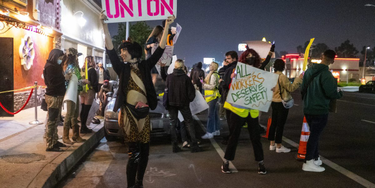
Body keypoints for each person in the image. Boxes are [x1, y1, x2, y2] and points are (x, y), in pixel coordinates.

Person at [101, 11, 175, 188]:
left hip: (144, 113)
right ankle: (130, 185)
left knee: (145, 152)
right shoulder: (122, 68)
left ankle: (139, 182)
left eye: (124, 51)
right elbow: (110, 48)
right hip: (129, 114)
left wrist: (166, 27)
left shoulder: (145, 65)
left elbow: (161, 48)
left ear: (132, 51)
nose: (121, 54)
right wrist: (104, 24)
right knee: (133, 153)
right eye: (121, 51)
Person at [221, 45, 274, 175]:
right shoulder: (242, 70)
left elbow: (225, 85)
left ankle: (228, 162)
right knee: (249, 137)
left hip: (244, 110)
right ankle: (259, 163)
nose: (250, 60)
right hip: (244, 110)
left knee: (240, 137)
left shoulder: (248, 70)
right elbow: (226, 85)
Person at [301, 50, 343, 172]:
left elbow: (302, 89)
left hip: (308, 108)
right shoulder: (327, 75)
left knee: (314, 134)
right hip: (320, 109)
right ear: (332, 60)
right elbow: (331, 93)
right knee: (314, 136)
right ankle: (308, 161)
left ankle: (315, 158)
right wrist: (340, 94)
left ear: (322, 56)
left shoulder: (309, 71)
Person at [268, 59, 303, 153]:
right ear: (283, 67)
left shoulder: (272, 76)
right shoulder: (282, 77)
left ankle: (272, 144)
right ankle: (279, 145)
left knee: (274, 123)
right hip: (281, 102)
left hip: (273, 101)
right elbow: (291, 88)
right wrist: (298, 79)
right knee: (280, 124)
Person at [166, 59, 200, 153]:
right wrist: (188, 100)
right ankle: (194, 145)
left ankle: (174, 145)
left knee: (172, 123)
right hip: (183, 103)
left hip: (172, 103)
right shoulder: (185, 78)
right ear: (182, 67)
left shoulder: (169, 77)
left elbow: (167, 90)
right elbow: (191, 92)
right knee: (189, 123)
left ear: (175, 66)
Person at [62, 48, 87, 144]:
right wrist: (83, 81)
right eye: (77, 57)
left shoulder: (74, 68)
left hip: (74, 93)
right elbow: (68, 81)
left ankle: (76, 135)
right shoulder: (71, 68)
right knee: (69, 114)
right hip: (70, 93)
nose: (78, 59)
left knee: (75, 115)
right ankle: (65, 136)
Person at [43, 49, 67, 151]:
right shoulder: (50, 67)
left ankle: (54, 140)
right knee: (52, 121)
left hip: (57, 95)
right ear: (55, 56)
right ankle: (50, 144)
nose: (61, 60)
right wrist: (64, 78)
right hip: (53, 96)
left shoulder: (55, 66)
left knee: (56, 120)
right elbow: (53, 82)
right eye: (60, 57)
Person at [201, 62, 221, 139]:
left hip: (212, 97)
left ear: (213, 67)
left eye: (210, 65)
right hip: (213, 97)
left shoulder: (213, 75)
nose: (209, 66)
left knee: (210, 115)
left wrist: (204, 85)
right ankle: (216, 130)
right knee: (215, 114)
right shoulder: (214, 74)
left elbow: (212, 86)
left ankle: (210, 132)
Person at [80, 56, 98, 133]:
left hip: (82, 91)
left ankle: (82, 126)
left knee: (83, 108)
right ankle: (84, 127)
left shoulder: (82, 69)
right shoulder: (92, 70)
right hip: (89, 91)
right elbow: (94, 83)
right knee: (86, 110)